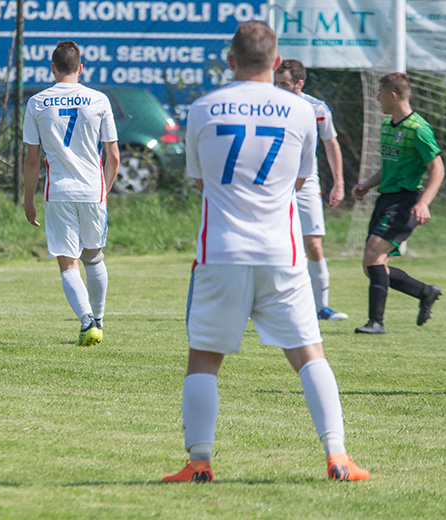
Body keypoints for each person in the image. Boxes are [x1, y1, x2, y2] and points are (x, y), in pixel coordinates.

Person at [162, 22, 369, 483]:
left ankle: (199, 462)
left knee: (204, 358)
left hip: (220, 251)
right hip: (283, 252)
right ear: (276, 64)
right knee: (309, 353)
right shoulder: (300, 112)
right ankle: (338, 457)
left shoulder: (202, 109)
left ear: (230, 60)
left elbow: (200, 180)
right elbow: (299, 182)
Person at [22, 41, 120, 346]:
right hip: (93, 190)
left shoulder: (37, 102)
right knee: (94, 257)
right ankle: (99, 319)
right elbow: (113, 156)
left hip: (59, 191)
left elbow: (33, 159)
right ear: (80, 68)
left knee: (68, 262)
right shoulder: (99, 100)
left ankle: (86, 320)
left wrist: (28, 200)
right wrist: (103, 190)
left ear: (52, 68)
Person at [351, 72, 445, 334]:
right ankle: (425, 292)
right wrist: (367, 185)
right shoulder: (387, 126)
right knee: (372, 267)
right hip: (386, 199)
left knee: (373, 254)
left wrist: (424, 202)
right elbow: (388, 167)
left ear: (393, 95)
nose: (377, 98)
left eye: (380, 94)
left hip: (407, 200)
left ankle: (376, 323)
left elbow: (437, 169)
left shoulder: (418, 129)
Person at [275, 59, 348, 321]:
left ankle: (321, 307)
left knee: (314, 244)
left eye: (285, 84)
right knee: (274, 242)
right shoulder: (267, 105)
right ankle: (265, 305)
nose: (280, 89)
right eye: (277, 84)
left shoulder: (316, 108)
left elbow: (331, 144)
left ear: (299, 83)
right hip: (273, 181)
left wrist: (338, 183)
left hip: (306, 182)